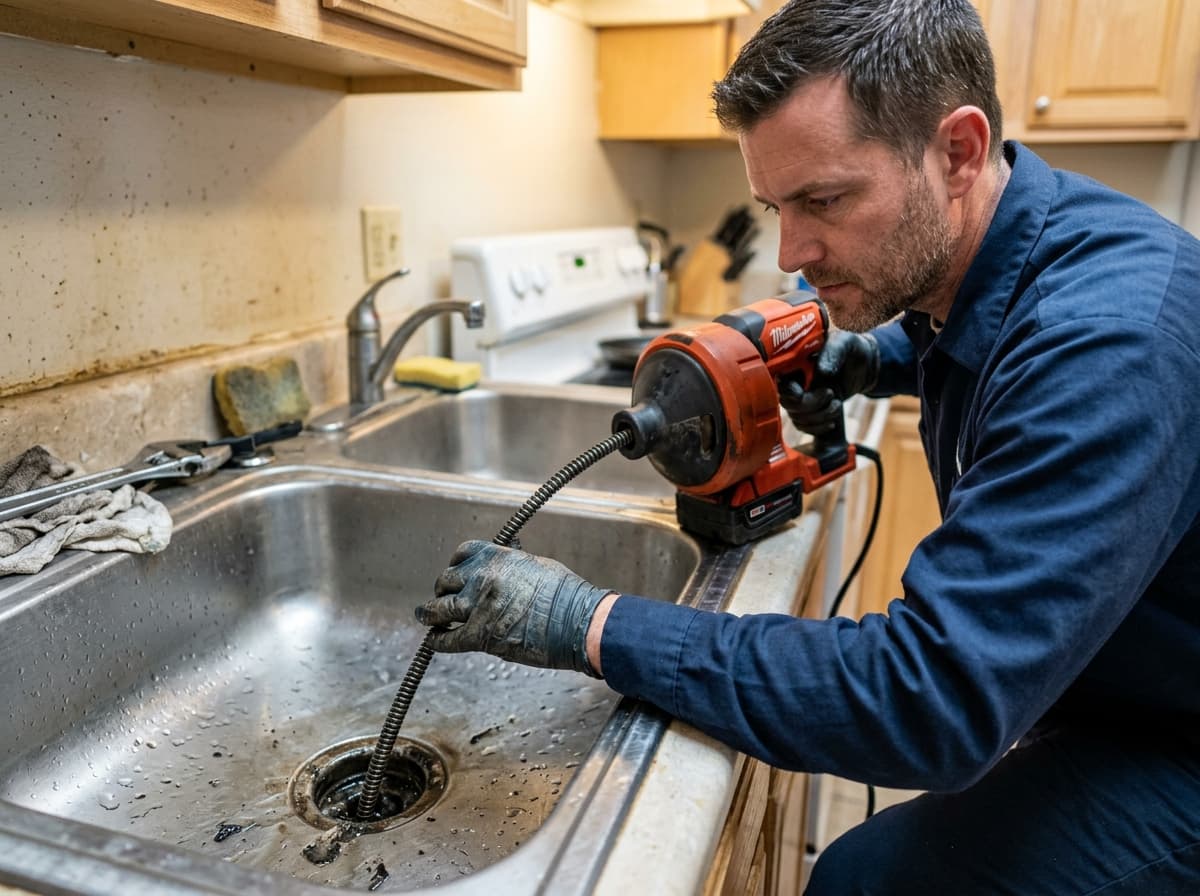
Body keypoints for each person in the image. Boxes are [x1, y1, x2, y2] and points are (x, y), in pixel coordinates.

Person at [417, 1, 1200, 892]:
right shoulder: (1024, 245)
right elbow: (984, 327)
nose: (795, 250)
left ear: (958, 151)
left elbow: (928, 700)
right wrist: (875, 356)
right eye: (773, 206)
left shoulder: (1113, 342)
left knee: (864, 879)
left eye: (824, 200)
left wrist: (590, 624)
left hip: (1176, 745)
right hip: (1123, 689)